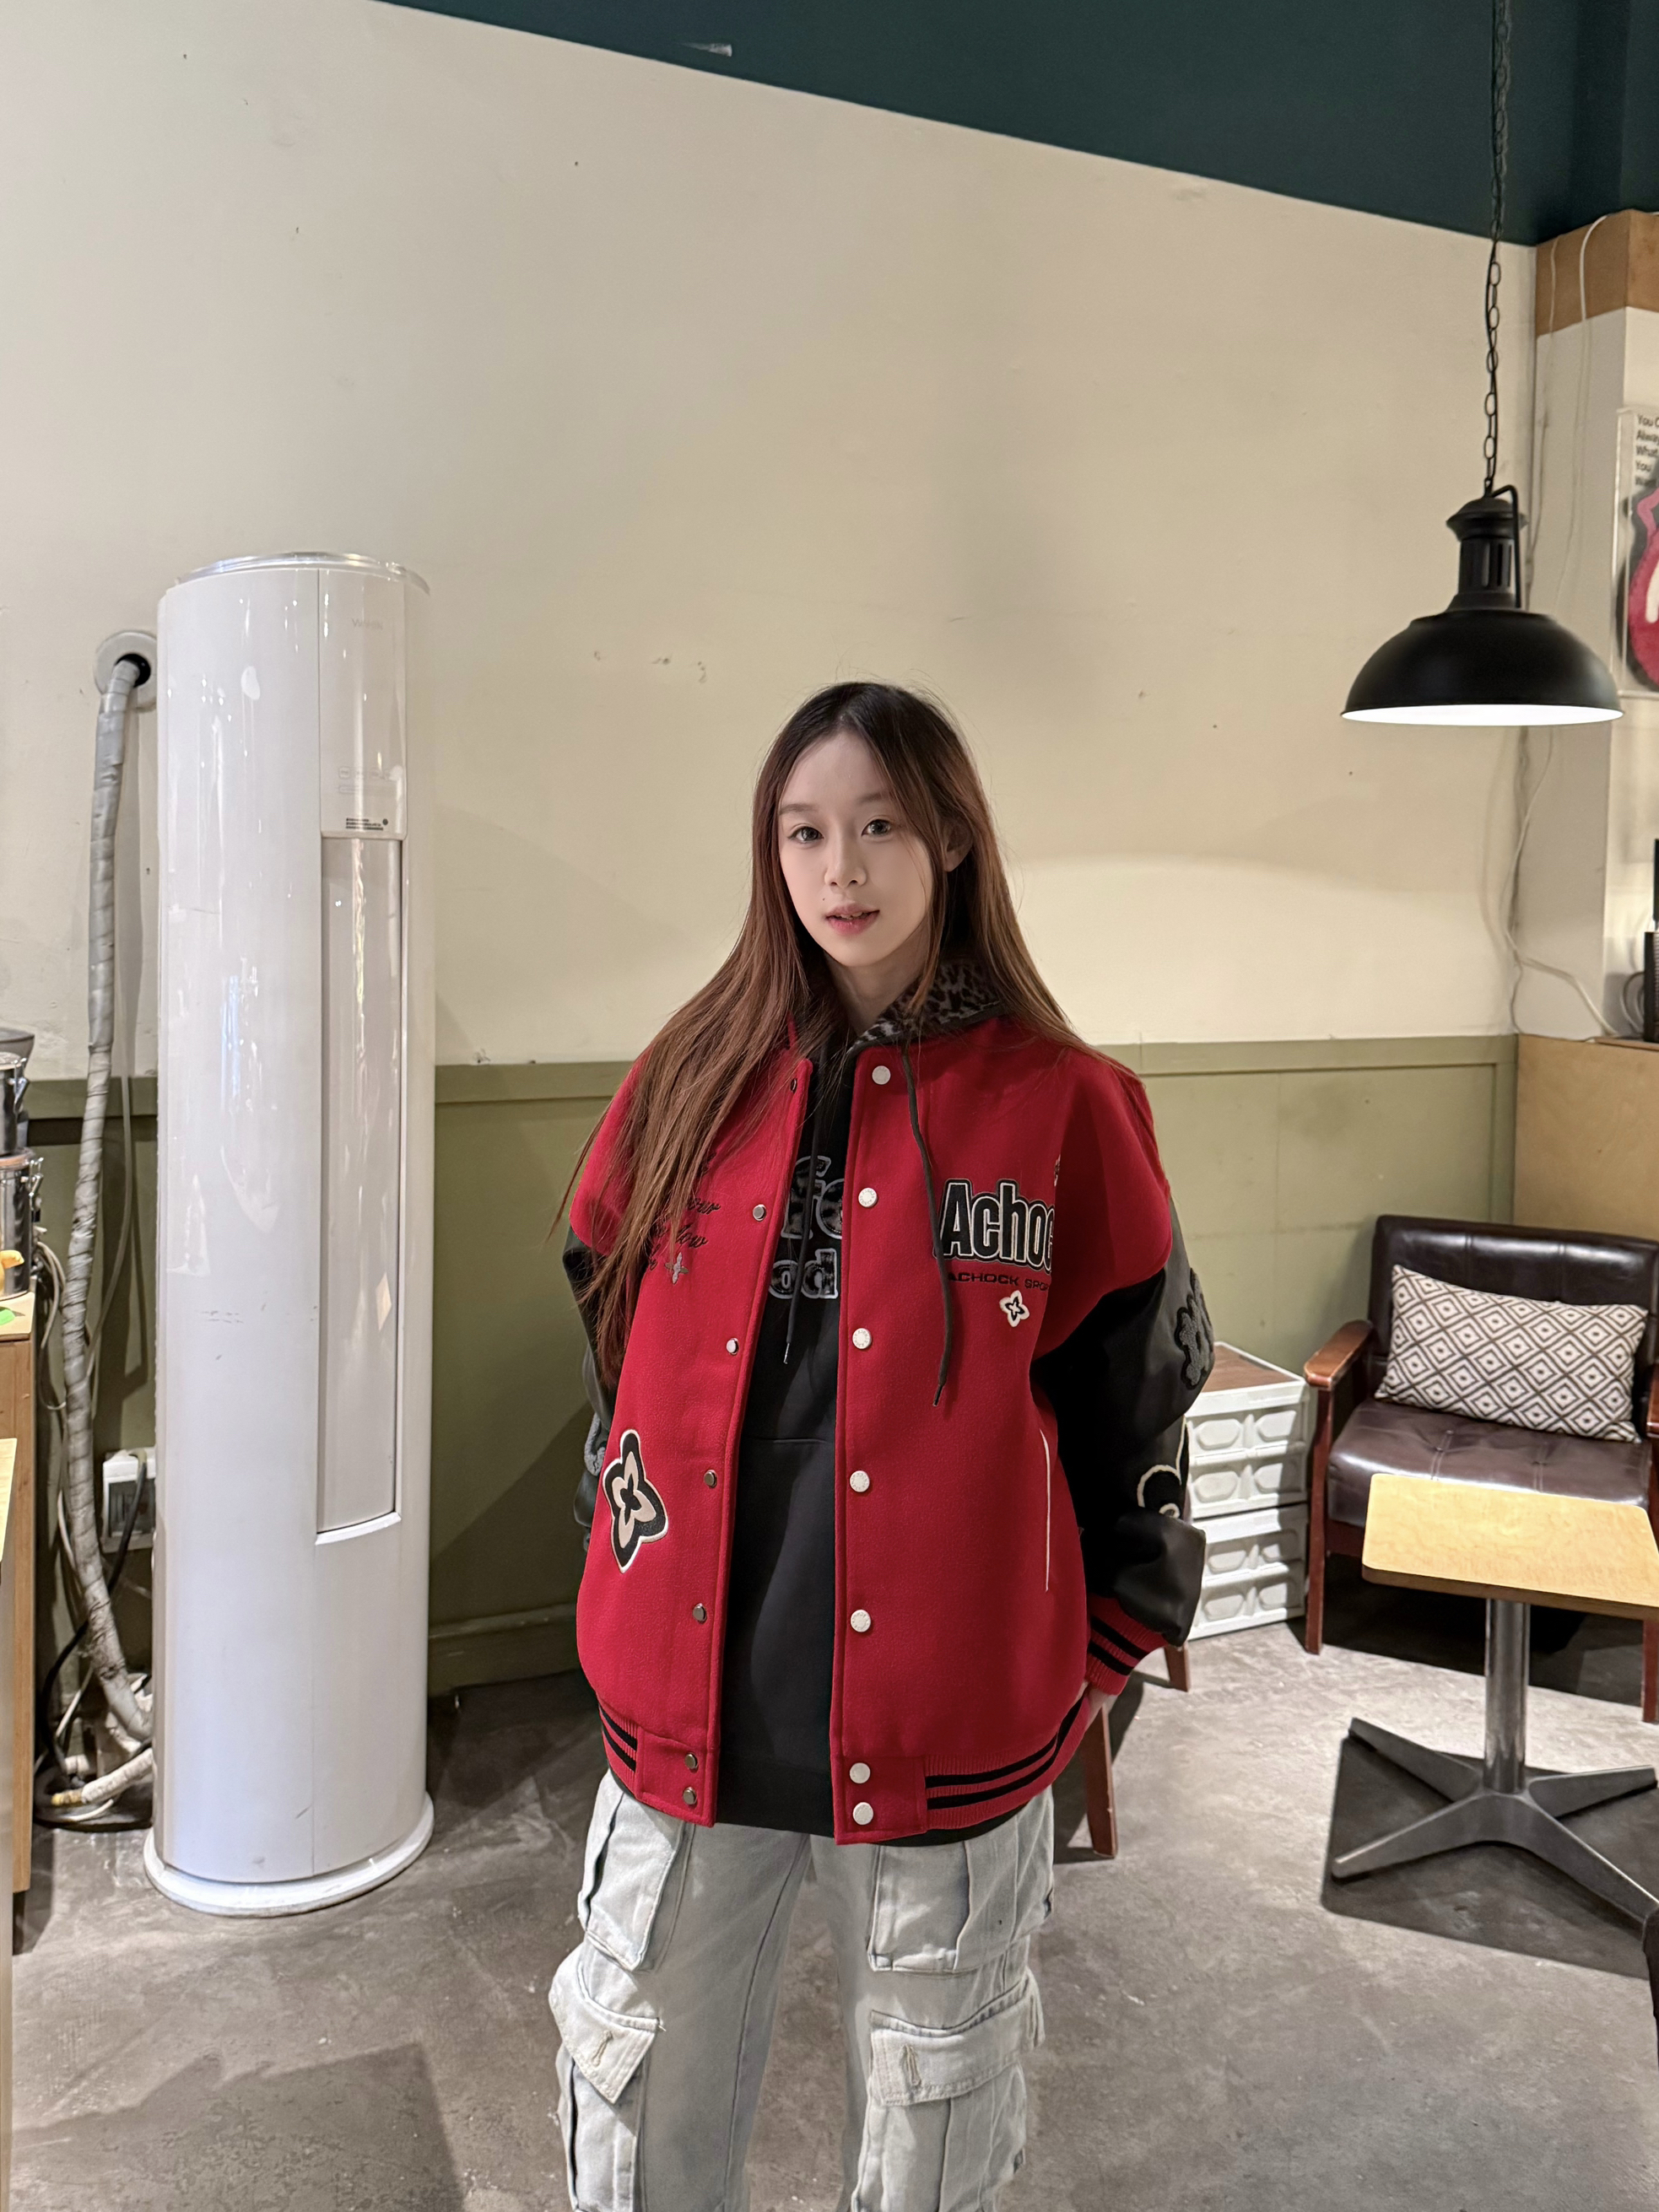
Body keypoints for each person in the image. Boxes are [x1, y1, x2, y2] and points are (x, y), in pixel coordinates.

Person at [552, 682, 1213, 2211]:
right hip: (689, 1712)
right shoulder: (685, 1075)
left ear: (951, 840)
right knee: (631, 2099)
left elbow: (1136, 1397)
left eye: (877, 825)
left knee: (931, 2127)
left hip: (947, 1723)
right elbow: (609, 1321)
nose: (838, 868)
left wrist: (1097, 1649)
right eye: (803, 832)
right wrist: (618, 1546)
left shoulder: (1066, 1105)